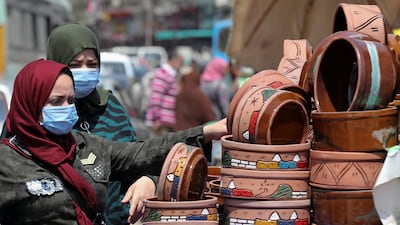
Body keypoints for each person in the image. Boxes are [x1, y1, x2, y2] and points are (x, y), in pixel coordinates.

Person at [0, 59, 227, 225]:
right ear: (30, 105)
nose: (66, 108)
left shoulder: (83, 146)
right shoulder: (7, 162)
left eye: (70, 100)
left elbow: (143, 152)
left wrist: (207, 131)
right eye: (56, 101)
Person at [45, 22, 148, 225]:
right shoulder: (39, 110)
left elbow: (137, 159)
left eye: (91, 64)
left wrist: (147, 180)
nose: (84, 71)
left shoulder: (111, 108)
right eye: (75, 64)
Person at [145, 48, 184, 137]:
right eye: (181, 61)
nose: (181, 65)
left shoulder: (172, 75)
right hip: (161, 123)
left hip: (167, 122)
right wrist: (157, 118)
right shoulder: (163, 74)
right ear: (174, 60)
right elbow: (156, 98)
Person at [175, 60, 216, 131]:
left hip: (179, 133)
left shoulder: (179, 95)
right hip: (195, 134)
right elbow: (210, 117)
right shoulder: (200, 96)